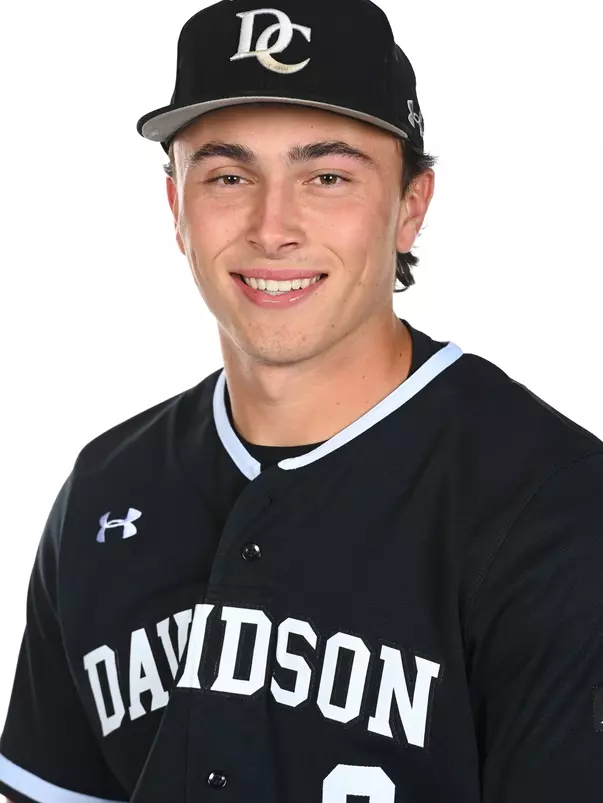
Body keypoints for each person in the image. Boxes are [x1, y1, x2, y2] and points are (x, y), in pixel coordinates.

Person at [2, 0, 603, 801]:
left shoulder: (553, 504)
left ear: (410, 206)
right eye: (228, 176)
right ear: (177, 208)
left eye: (327, 177)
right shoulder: (104, 487)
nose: (271, 227)